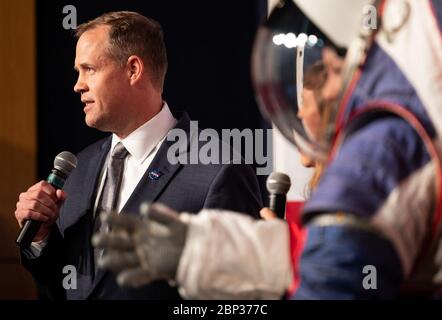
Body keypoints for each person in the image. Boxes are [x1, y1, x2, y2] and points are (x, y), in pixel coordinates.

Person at [93, 0, 442, 299]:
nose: (303, 111)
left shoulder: (382, 146)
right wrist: (201, 250)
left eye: (332, 68)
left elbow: (332, 275)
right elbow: (314, 255)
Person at [14, 11, 263, 300]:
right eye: (77, 72)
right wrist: (42, 237)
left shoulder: (217, 171)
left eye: (89, 69)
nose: (78, 84)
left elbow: (239, 296)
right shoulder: (78, 169)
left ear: (133, 69)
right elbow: (66, 283)